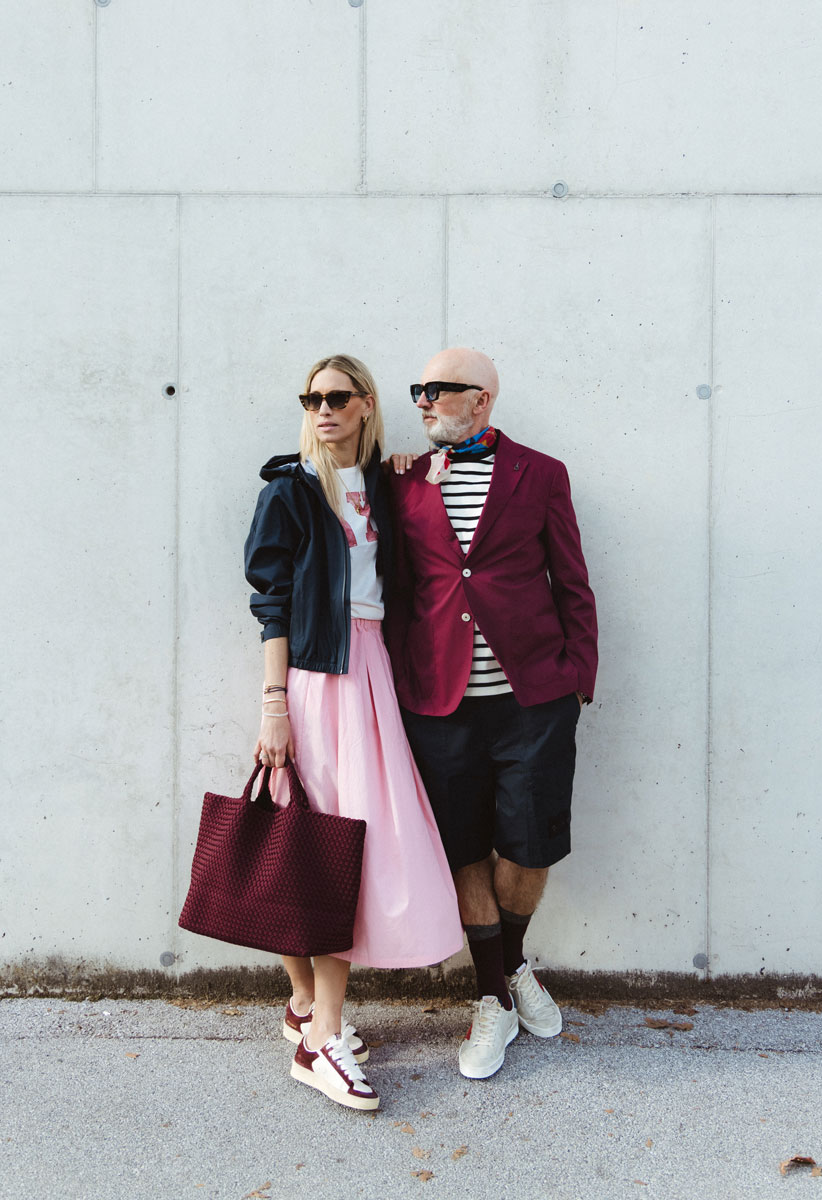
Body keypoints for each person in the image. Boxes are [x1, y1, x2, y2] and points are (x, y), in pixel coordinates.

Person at [244, 353, 462, 1112]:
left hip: (373, 672)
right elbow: (270, 602)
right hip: (317, 678)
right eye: (312, 399)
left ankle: (309, 1007)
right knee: (312, 842)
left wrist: (404, 467)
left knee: (342, 843)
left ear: (366, 403)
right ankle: (320, 1036)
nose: (324, 410)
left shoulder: (384, 485)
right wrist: (274, 703)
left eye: (338, 397)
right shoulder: (290, 490)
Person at [386, 347, 598, 1080]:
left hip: (533, 699)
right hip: (438, 700)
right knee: (464, 849)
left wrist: (578, 680)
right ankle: (493, 995)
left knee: (530, 847)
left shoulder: (542, 473)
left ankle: (507, 965)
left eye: (438, 389)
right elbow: (396, 587)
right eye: (418, 389)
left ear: (481, 398)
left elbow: (572, 580)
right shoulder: (403, 480)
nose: (422, 400)